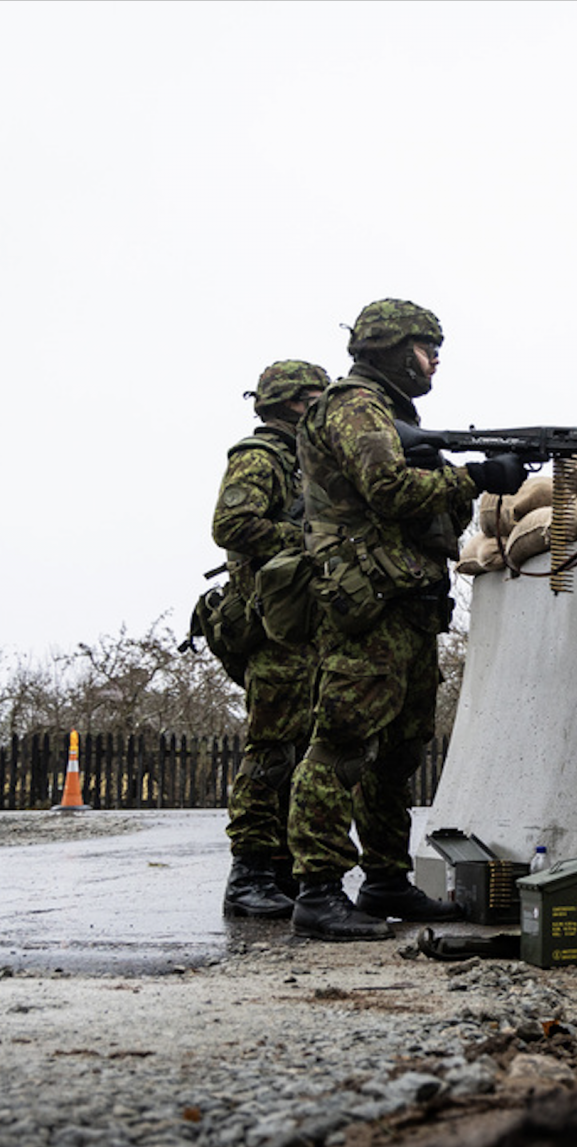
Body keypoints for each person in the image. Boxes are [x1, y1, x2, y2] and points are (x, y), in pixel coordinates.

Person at [286, 299, 526, 942]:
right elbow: (387, 489)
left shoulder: (389, 414)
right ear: (393, 349)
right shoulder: (355, 404)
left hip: (406, 603)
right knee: (342, 744)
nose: (436, 358)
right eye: (426, 346)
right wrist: (474, 477)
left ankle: (386, 879)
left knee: (397, 753)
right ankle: (316, 890)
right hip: (370, 605)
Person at [215, 359, 329, 919]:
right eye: (317, 396)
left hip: (303, 626)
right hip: (272, 630)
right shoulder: (260, 457)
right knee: (271, 751)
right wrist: (305, 534)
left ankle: (280, 871)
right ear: (291, 403)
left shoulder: (308, 460)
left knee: (301, 748)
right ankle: (249, 873)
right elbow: (230, 526)